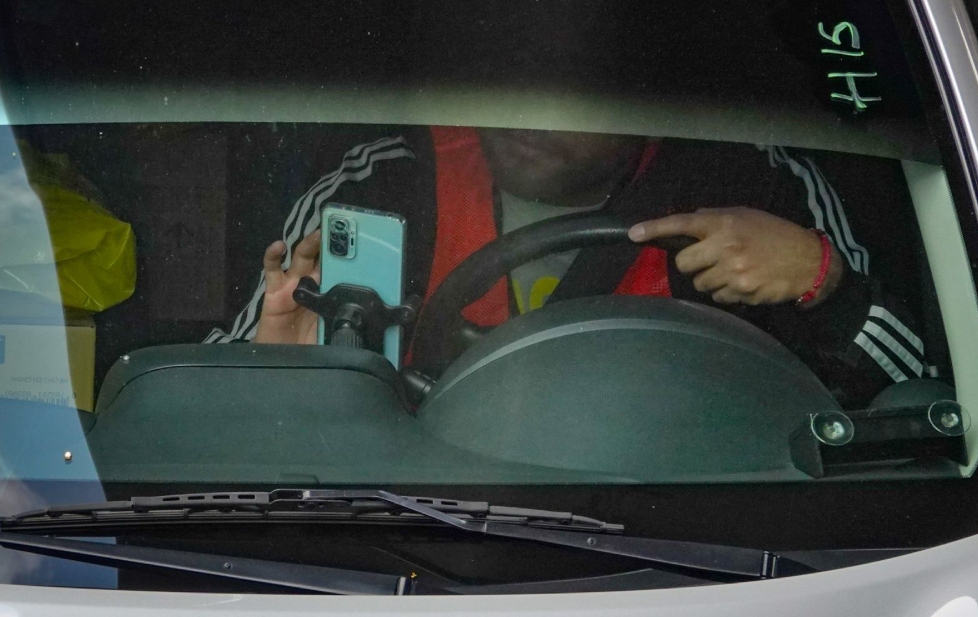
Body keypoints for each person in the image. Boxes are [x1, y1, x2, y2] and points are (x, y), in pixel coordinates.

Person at [206, 126, 929, 408]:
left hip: (692, 546)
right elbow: (210, 412)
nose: (529, 112)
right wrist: (271, 366)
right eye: (507, 69)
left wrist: (824, 284)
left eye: (566, 79)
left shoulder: (753, 183)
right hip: (414, 535)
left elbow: (923, 392)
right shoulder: (381, 182)